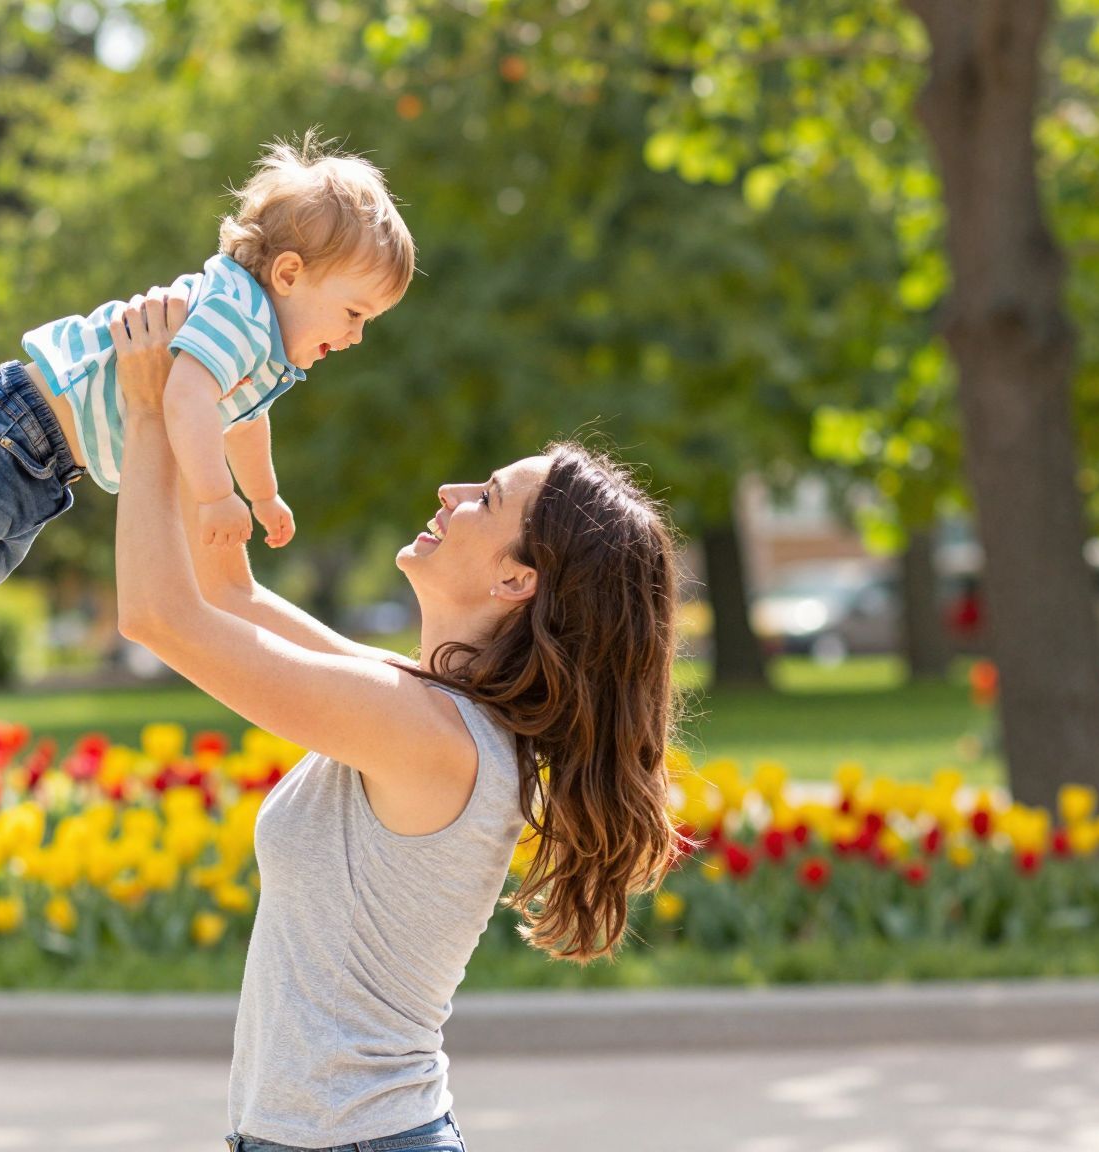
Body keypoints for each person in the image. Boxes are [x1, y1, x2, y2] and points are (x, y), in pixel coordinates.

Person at [108, 291, 681, 1151]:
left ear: (517, 582)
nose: (451, 492)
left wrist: (151, 411)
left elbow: (160, 617)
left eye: (485, 499)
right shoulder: (424, 705)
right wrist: (221, 388)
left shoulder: (428, 736)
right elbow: (228, 593)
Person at [0, 134, 415, 736]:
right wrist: (212, 497)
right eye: (354, 313)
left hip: (43, 465)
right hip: (9, 427)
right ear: (290, 274)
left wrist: (262, 498)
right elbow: (186, 399)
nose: (355, 336)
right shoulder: (238, 312)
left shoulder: (260, 346)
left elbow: (241, 418)